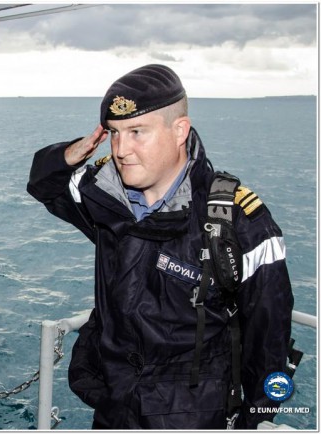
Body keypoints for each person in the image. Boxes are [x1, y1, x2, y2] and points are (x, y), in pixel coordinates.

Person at [27, 64, 293, 429]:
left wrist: (256, 418)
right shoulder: (105, 196)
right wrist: (73, 153)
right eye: (115, 133)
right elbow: (45, 186)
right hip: (114, 400)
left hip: (190, 413)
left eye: (138, 132)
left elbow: (269, 339)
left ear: (179, 130)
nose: (122, 150)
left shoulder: (236, 221)